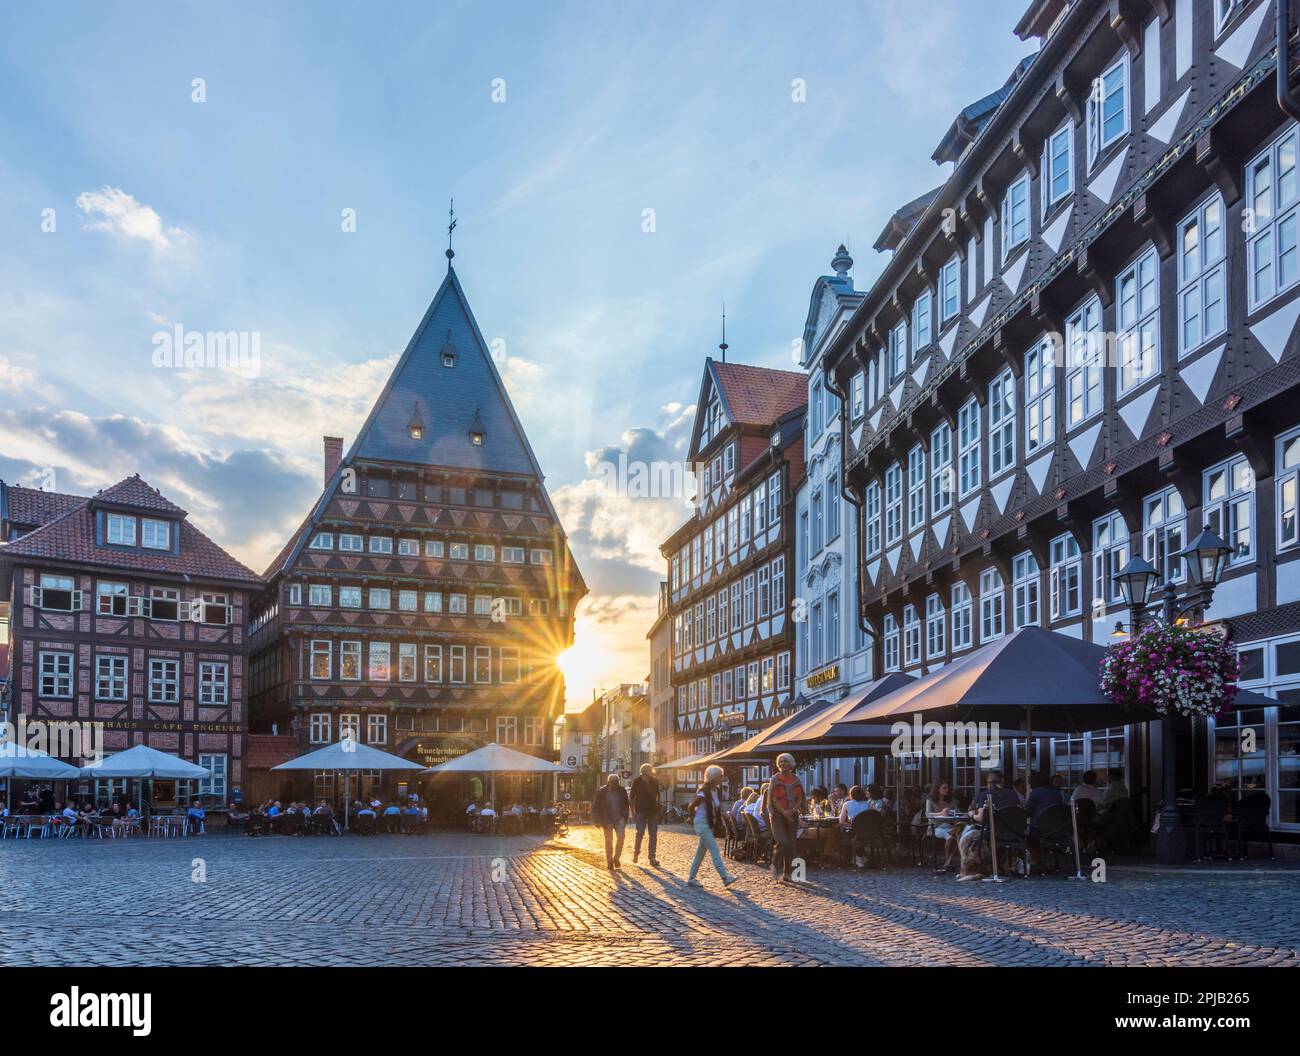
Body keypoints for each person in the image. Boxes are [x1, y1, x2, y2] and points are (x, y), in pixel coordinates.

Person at [957, 770, 1019, 881]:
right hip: (1014, 832)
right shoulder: (1012, 794)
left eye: (993, 782)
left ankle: (970, 869)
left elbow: (980, 818)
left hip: (993, 832)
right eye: (990, 782)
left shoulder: (985, 795)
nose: (992, 785)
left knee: (966, 834)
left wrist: (971, 814)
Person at [686, 765, 738, 889]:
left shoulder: (715, 790)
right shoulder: (704, 790)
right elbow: (691, 806)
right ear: (713, 777)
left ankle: (691, 878)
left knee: (700, 853)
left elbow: (715, 808)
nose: (722, 778)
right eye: (720, 776)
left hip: (707, 824)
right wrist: (692, 818)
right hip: (702, 823)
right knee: (714, 850)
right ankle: (725, 877)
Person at [766, 753, 806, 882]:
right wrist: (784, 812)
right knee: (783, 842)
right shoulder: (775, 779)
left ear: (791, 764)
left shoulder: (796, 779)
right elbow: (773, 798)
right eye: (781, 761)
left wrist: (793, 810)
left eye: (786, 761)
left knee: (792, 845)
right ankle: (775, 863)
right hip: (778, 815)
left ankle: (787, 873)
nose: (783, 763)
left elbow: (800, 798)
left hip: (792, 814)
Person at [591, 773, 629, 871]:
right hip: (606, 819)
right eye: (612, 782)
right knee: (609, 841)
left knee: (621, 837)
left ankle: (616, 858)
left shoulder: (622, 790)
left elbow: (626, 804)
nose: (614, 784)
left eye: (616, 782)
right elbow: (595, 807)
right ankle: (609, 861)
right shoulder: (601, 792)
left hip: (619, 818)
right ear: (608, 782)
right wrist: (596, 820)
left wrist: (625, 816)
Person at [925, 780, 962, 870]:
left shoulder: (951, 800)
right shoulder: (930, 800)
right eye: (944, 788)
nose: (947, 790)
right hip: (935, 827)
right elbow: (928, 814)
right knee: (950, 837)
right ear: (938, 789)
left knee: (958, 835)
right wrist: (940, 813)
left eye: (947, 788)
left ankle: (948, 861)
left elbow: (958, 811)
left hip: (947, 825)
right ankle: (948, 861)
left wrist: (955, 813)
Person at [629, 763, 661, 866]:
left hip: (652, 812)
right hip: (640, 811)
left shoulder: (655, 781)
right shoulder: (637, 781)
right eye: (647, 772)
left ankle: (652, 858)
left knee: (653, 835)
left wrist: (658, 808)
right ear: (642, 772)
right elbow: (632, 797)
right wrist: (633, 812)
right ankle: (636, 853)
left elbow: (657, 796)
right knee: (640, 834)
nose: (649, 774)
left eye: (649, 772)